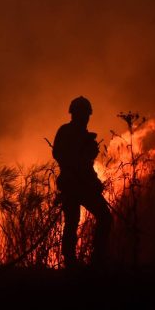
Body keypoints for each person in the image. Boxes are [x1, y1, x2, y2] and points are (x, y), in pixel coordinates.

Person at [52, 96, 112, 268]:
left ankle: (96, 259)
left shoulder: (84, 136)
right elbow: (60, 156)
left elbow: (85, 164)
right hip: (73, 185)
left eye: (86, 114)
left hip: (82, 185)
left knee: (103, 218)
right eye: (83, 114)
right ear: (75, 114)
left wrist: (94, 181)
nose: (85, 118)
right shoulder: (66, 132)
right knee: (73, 220)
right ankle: (73, 261)